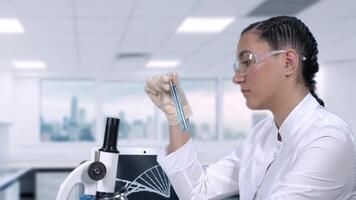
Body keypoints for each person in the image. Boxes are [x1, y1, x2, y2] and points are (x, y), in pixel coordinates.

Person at [144, 16, 356, 200]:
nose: (237, 78)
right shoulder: (263, 134)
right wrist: (178, 117)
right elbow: (199, 191)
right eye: (238, 66)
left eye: (247, 61)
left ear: (289, 63)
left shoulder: (328, 139)